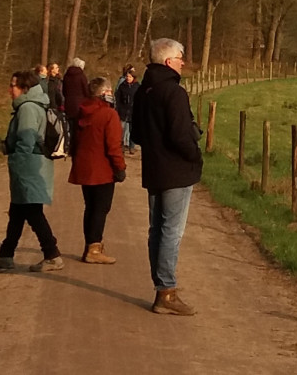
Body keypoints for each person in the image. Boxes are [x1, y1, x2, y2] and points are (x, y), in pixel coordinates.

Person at [131, 37, 201, 315]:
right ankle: (166, 291)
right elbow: (181, 135)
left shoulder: (143, 91)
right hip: (177, 171)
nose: (183, 62)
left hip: (154, 169)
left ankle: (162, 286)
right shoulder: (174, 93)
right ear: (169, 61)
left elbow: (136, 134)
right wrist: (195, 155)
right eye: (180, 58)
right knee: (172, 231)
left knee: (157, 230)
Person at [0, 69, 63, 273]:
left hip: (28, 167)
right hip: (33, 164)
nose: (9, 90)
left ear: (24, 88)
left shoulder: (28, 108)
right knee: (17, 212)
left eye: (12, 85)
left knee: (32, 212)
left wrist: (17, 161)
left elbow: (26, 139)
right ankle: (5, 255)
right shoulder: (35, 105)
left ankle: (52, 255)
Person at [69, 76, 126, 263]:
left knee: (90, 208)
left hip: (84, 167)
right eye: (109, 90)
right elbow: (114, 146)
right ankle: (94, 249)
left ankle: (90, 246)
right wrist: (120, 167)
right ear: (103, 93)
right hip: (103, 169)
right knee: (101, 209)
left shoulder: (82, 112)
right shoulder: (109, 114)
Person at [113, 65, 138, 150]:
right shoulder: (122, 86)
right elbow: (118, 97)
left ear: (133, 77)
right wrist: (118, 108)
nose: (128, 78)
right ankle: (121, 146)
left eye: (130, 77)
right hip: (123, 110)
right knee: (121, 130)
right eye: (127, 76)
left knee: (132, 130)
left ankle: (131, 147)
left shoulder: (137, 86)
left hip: (133, 111)